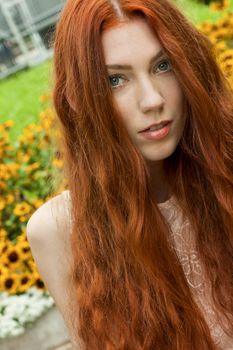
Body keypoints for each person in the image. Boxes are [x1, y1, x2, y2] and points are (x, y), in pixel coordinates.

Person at [26, 0, 233, 349]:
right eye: (115, 80)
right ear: (78, 98)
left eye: (163, 65)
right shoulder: (59, 229)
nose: (152, 99)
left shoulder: (224, 174)